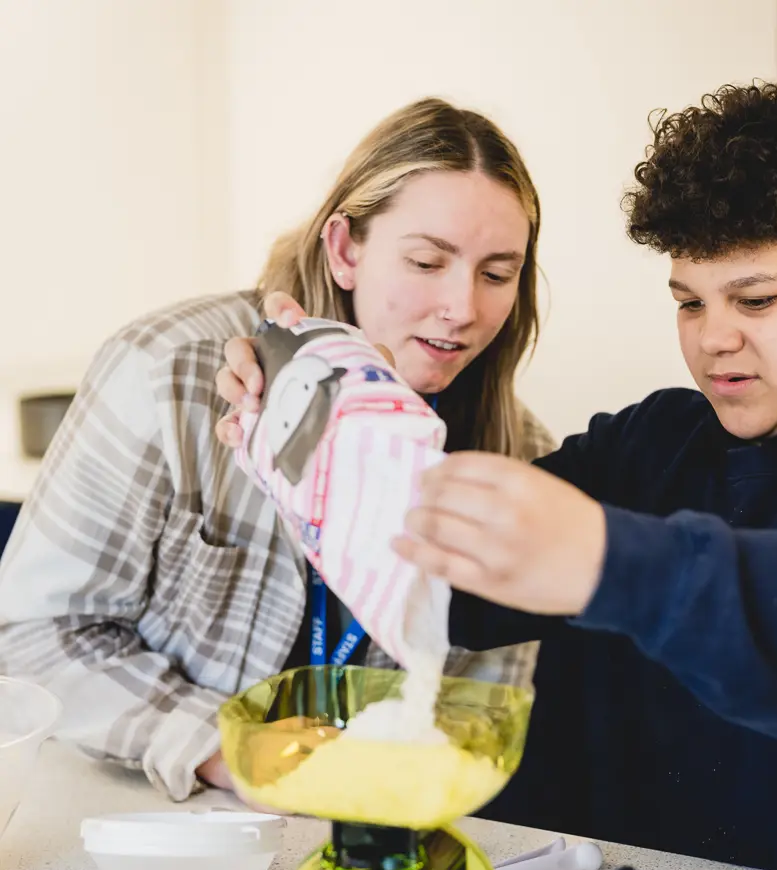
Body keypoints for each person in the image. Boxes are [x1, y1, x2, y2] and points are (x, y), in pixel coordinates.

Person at [223, 83, 777, 870]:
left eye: (757, 299)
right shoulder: (648, 444)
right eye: (688, 302)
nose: (714, 338)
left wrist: (606, 560)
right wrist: (323, 424)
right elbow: (449, 587)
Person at [0, 97, 554, 803]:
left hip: (351, 829)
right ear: (345, 249)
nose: (463, 307)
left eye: (497, 274)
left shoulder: (520, 458)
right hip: (138, 824)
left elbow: (479, 715)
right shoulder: (168, 372)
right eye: (425, 261)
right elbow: (30, 638)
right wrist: (228, 752)